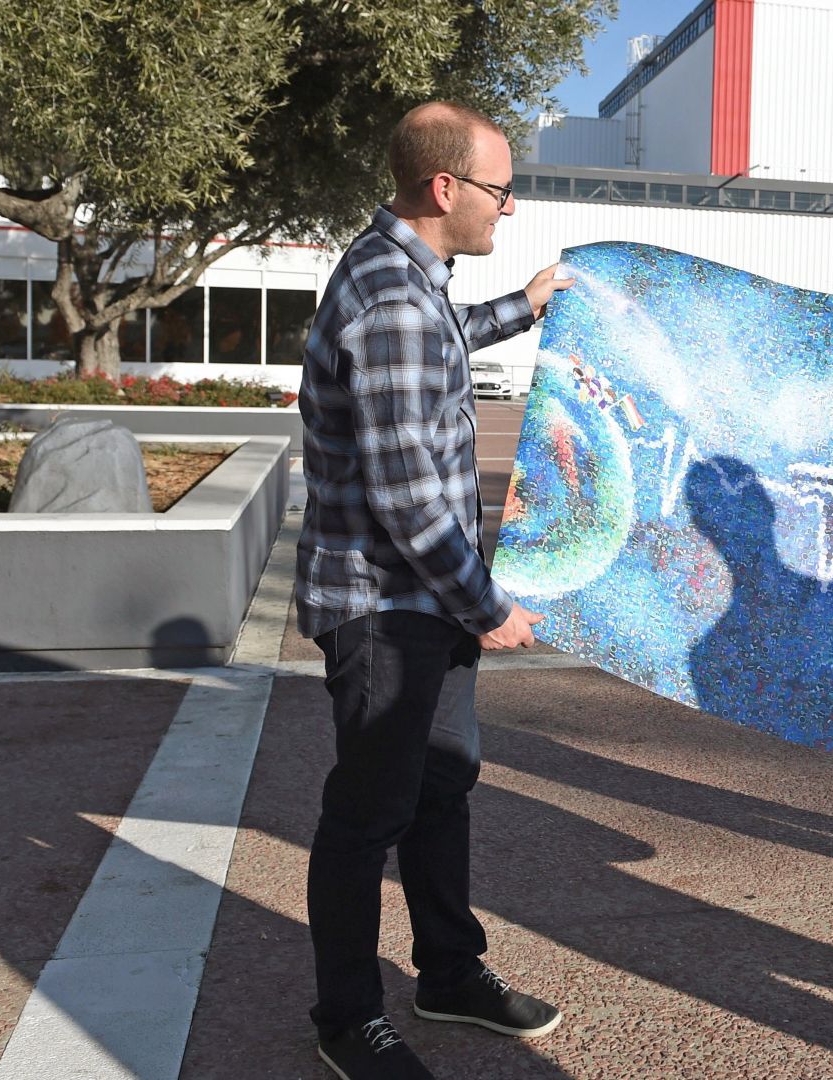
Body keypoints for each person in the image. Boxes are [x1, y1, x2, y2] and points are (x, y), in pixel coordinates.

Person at [294, 100, 574, 1079]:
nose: (512, 207)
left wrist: (524, 307)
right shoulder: (389, 298)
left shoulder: (414, 283)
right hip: (385, 607)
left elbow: (443, 338)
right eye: (502, 190)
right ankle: (346, 1016)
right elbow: (407, 492)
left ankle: (449, 974)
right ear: (445, 188)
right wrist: (486, 606)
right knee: (366, 813)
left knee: (442, 790)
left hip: (422, 606)